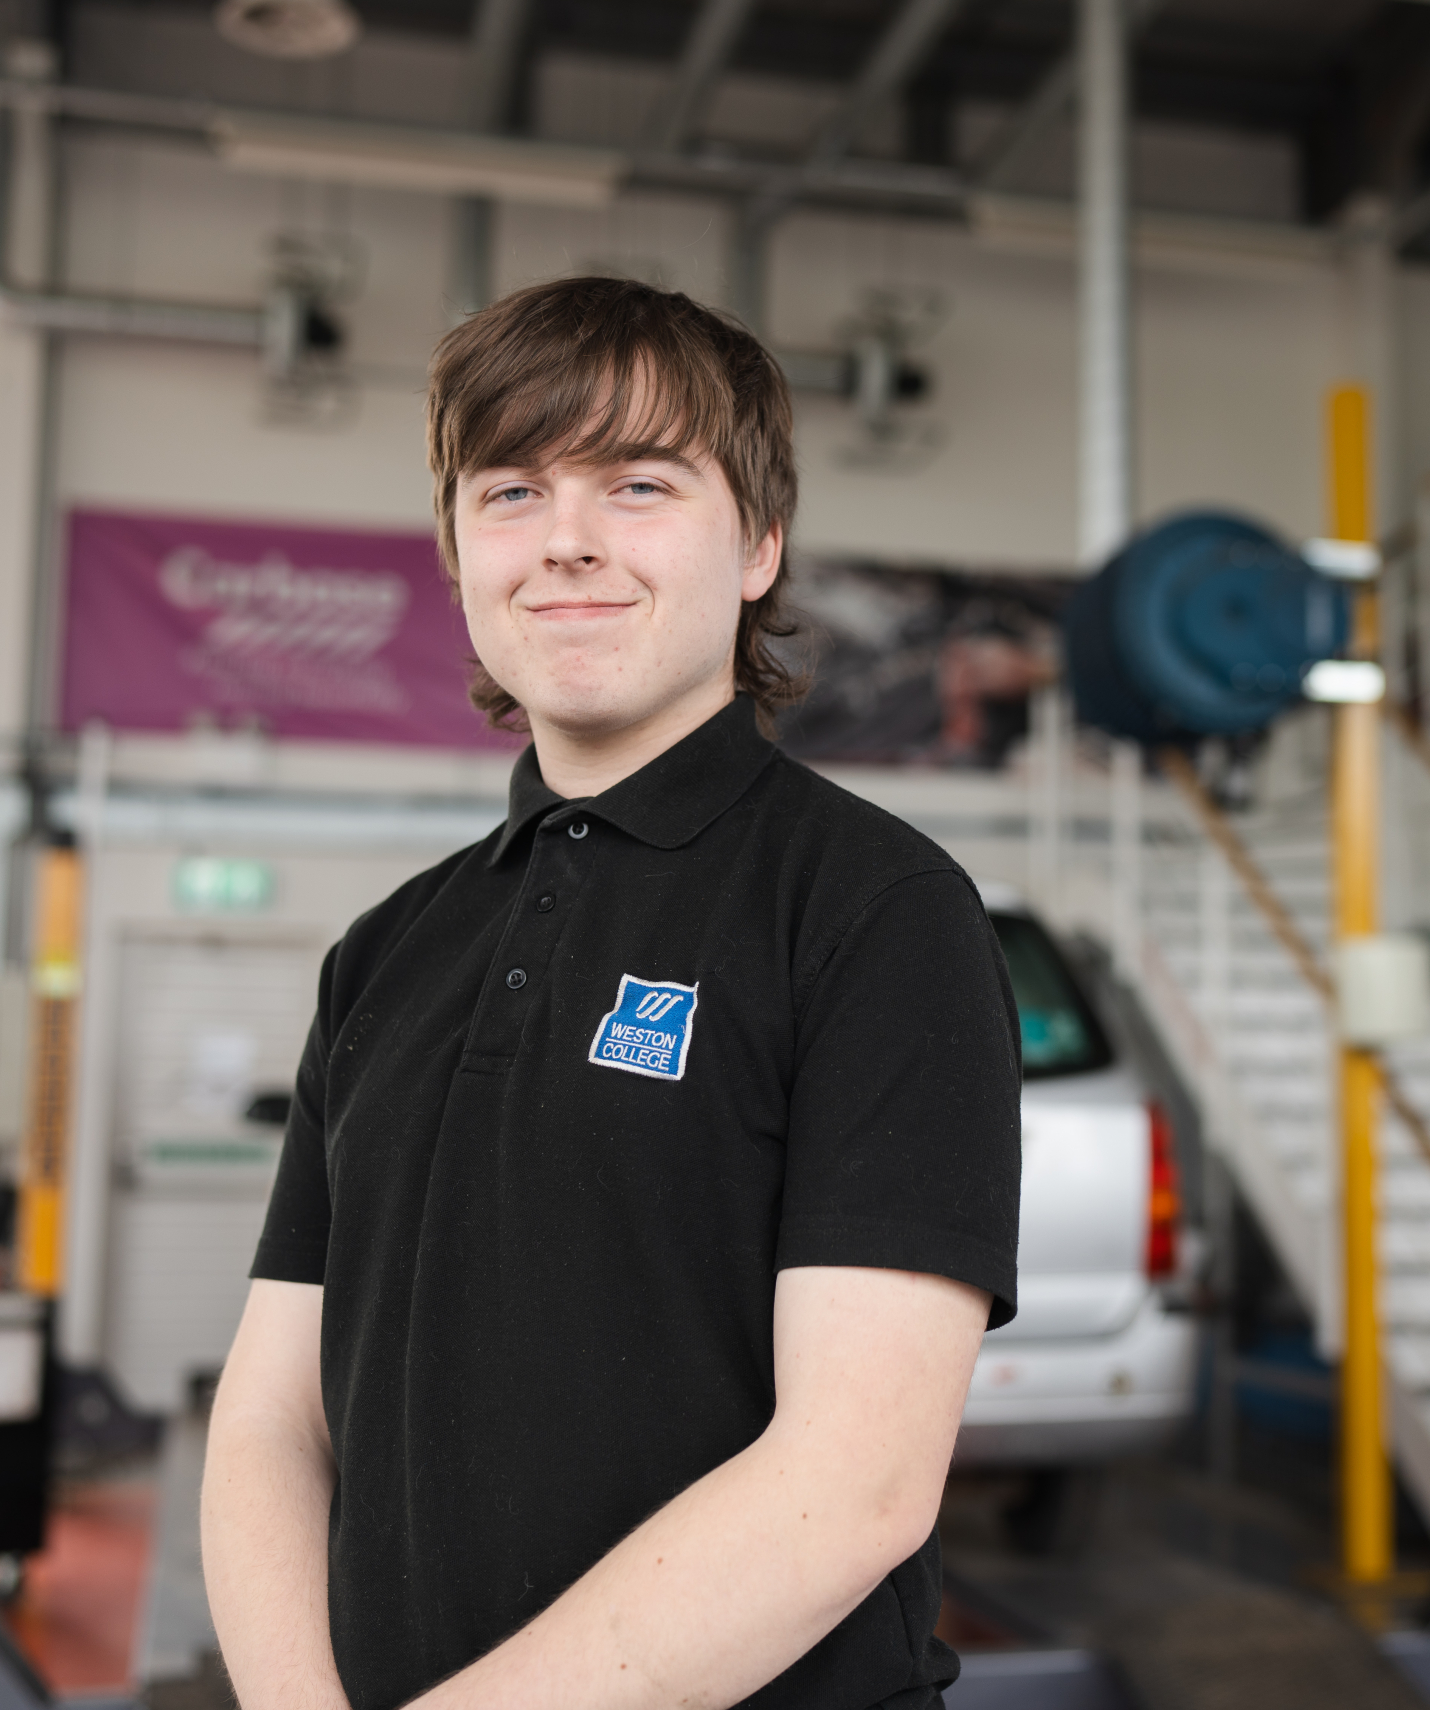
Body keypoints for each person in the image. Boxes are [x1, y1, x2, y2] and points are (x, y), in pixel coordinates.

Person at [199, 275, 1024, 1710]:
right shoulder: (387, 950)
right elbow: (272, 1421)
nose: (566, 541)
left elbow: (855, 1482)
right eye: (510, 491)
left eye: (637, 484)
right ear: (456, 553)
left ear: (759, 543)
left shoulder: (875, 913)